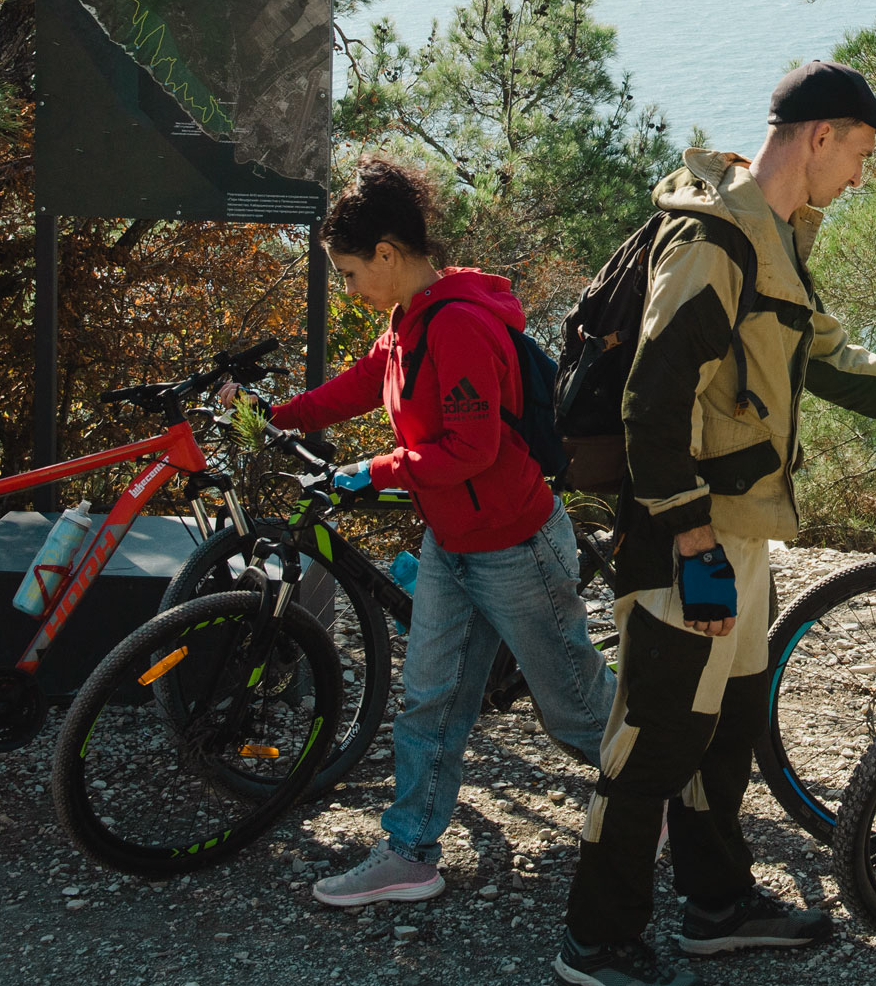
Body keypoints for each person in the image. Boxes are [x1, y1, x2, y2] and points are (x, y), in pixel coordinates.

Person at [555, 61, 876, 986]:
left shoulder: (775, 236)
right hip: (693, 533)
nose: (862, 175)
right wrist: (688, 535)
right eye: (863, 153)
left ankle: (716, 905)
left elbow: (824, 357)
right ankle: (595, 941)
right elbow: (652, 397)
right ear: (820, 134)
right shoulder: (715, 241)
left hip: (738, 528)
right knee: (654, 735)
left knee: (729, 720)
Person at [250, 158, 615, 908]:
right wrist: (277, 418)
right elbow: (361, 382)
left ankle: (671, 792)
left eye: (351, 273)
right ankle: (410, 852)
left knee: (574, 709)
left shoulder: (456, 326)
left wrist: (372, 471)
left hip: (516, 545)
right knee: (431, 701)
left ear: (388, 253)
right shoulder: (408, 319)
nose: (350, 289)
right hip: (455, 545)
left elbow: (473, 450)